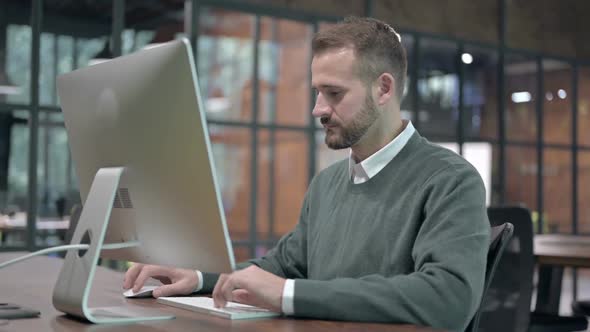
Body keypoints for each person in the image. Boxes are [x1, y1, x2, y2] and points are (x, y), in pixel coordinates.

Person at [123, 16, 490, 331]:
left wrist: (287, 295)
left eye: (333, 93)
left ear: (383, 88)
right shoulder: (327, 184)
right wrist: (201, 279)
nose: (318, 109)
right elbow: (282, 266)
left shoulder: (450, 180)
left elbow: (449, 298)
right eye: (317, 92)